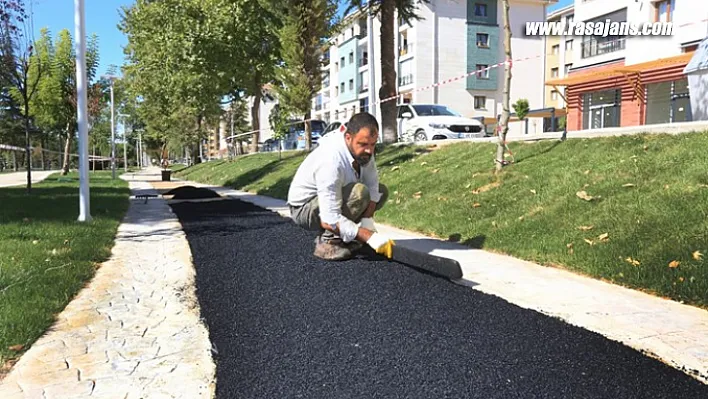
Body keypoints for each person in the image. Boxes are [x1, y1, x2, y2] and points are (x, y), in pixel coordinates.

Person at [287, 112, 395, 261]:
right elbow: (328, 218)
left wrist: (367, 222)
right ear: (348, 137)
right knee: (359, 194)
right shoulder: (331, 160)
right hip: (304, 209)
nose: (369, 150)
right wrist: (369, 236)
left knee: (381, 192)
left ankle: (347, 235)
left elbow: (373, 185)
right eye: (363, 144)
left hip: (334, 197)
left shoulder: (364, 152)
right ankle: (328, 241)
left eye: (373, 144)